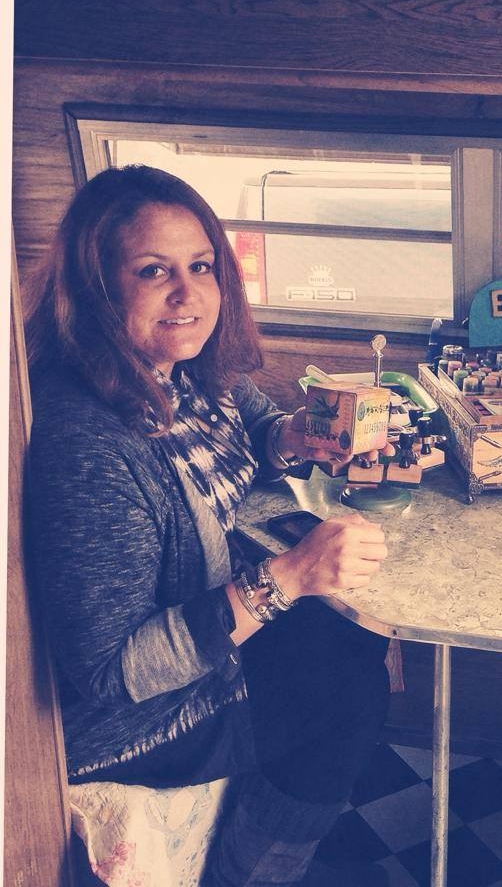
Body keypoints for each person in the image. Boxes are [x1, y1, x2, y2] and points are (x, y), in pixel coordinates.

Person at [25, 165, 394, 887]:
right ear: (96, 288)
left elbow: (253, 426)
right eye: (153, 271)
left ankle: (294, 819)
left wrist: (292, 438)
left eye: (200, 266)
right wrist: (286, 578)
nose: (188, 294)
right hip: (129, 720)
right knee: (349, 692)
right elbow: (111, 672)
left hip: (194, 622)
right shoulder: (89, 446)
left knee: (354, 632)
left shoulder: (189, 371)